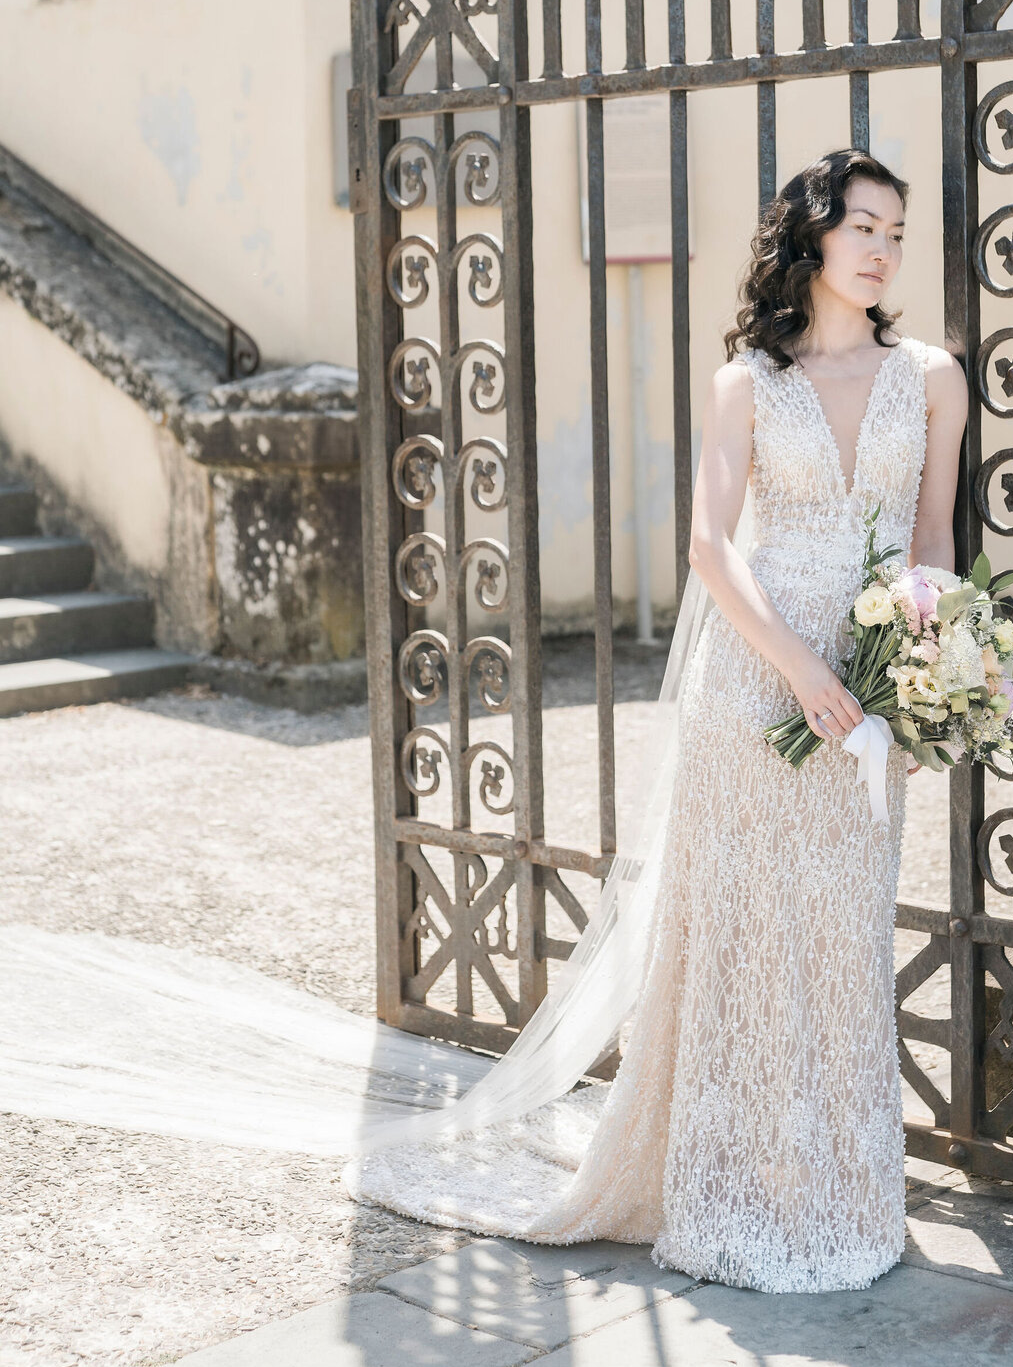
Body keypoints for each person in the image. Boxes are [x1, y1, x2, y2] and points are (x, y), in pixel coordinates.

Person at [345, 149, 969, 1295]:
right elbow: (711, 546)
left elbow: (933, 540)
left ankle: (839, 1189)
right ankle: (727, 1181)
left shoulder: (933, 375)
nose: (883, 249)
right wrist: (794, 669)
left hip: (867, 695)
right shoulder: (747, 382)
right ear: (813, 239)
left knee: (837, 940)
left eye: (897, 230)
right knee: (737, 936)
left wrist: (915, 654)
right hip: (757, 687)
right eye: (865, 227)